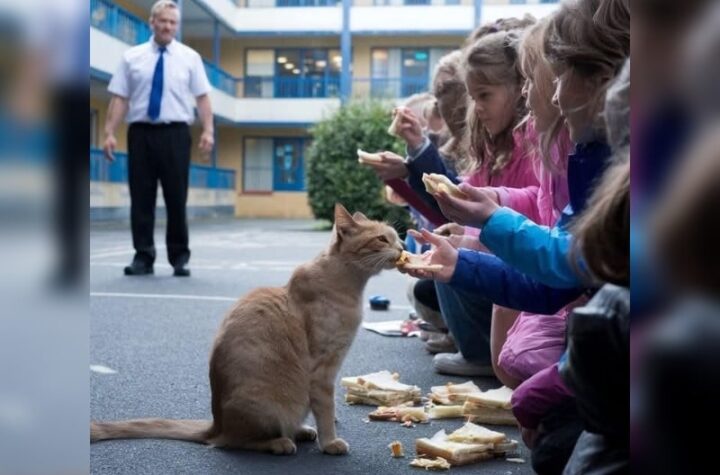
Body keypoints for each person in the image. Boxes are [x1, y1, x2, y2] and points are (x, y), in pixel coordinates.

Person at [102, 0, 214, 277]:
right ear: (152, 22)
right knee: (141, 198)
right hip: (141, 133)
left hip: (175, 133)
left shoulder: (190, 58)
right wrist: (108, 132)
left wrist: (209, 130)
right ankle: (143, 255)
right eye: (162, 21)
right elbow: (120, 97)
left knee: (177, 198)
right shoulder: (132, 57)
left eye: (172, 22)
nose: (167, 26)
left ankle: (179, 257)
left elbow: (202, 97)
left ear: (177, 26)